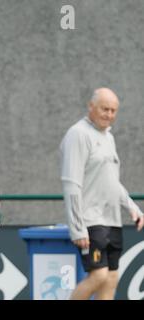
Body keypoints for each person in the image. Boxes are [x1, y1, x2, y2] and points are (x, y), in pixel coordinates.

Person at [60, 87, 144, 300]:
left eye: (113, 110)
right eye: (104, 109)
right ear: (91, 107)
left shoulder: (108, 137)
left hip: (112, 221)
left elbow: (112, 183)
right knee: (98, 276)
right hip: (90, 222)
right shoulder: (77, 134)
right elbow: (71, 184)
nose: (109, 114)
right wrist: (77, 228)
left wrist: (133, 208)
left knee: (111, 278)